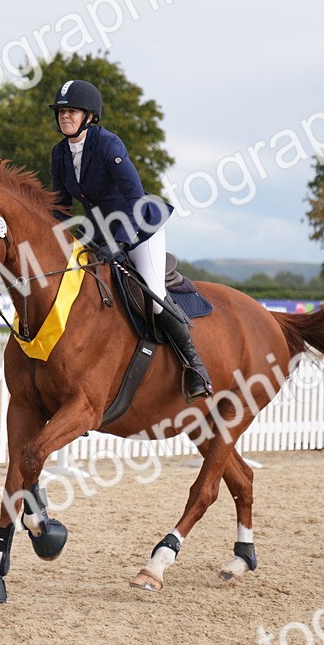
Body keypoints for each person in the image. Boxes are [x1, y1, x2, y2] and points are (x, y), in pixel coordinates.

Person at [48, 79, 214, 403]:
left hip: (138, 227)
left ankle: (195, 367)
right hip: (97, 233)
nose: (65, 116)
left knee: (152, 295)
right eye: (61, 111)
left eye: (72, 111)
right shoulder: (60, 154)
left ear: (90, 116)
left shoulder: (110, 145)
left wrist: (121, 242)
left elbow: (135, 199)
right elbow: (59, 206)